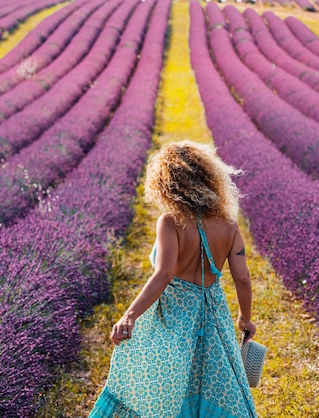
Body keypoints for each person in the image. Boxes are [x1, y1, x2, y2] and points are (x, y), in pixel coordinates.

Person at [89, 141, 258, 417]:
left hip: (174, 316)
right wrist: (245, 318)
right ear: (208, 178)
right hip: (214, 317)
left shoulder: (171, 222)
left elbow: (164, 274)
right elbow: (242, 277)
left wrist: (129, 316)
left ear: (167, 183)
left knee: (169, 384)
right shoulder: (228, 225)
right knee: (216, 383)